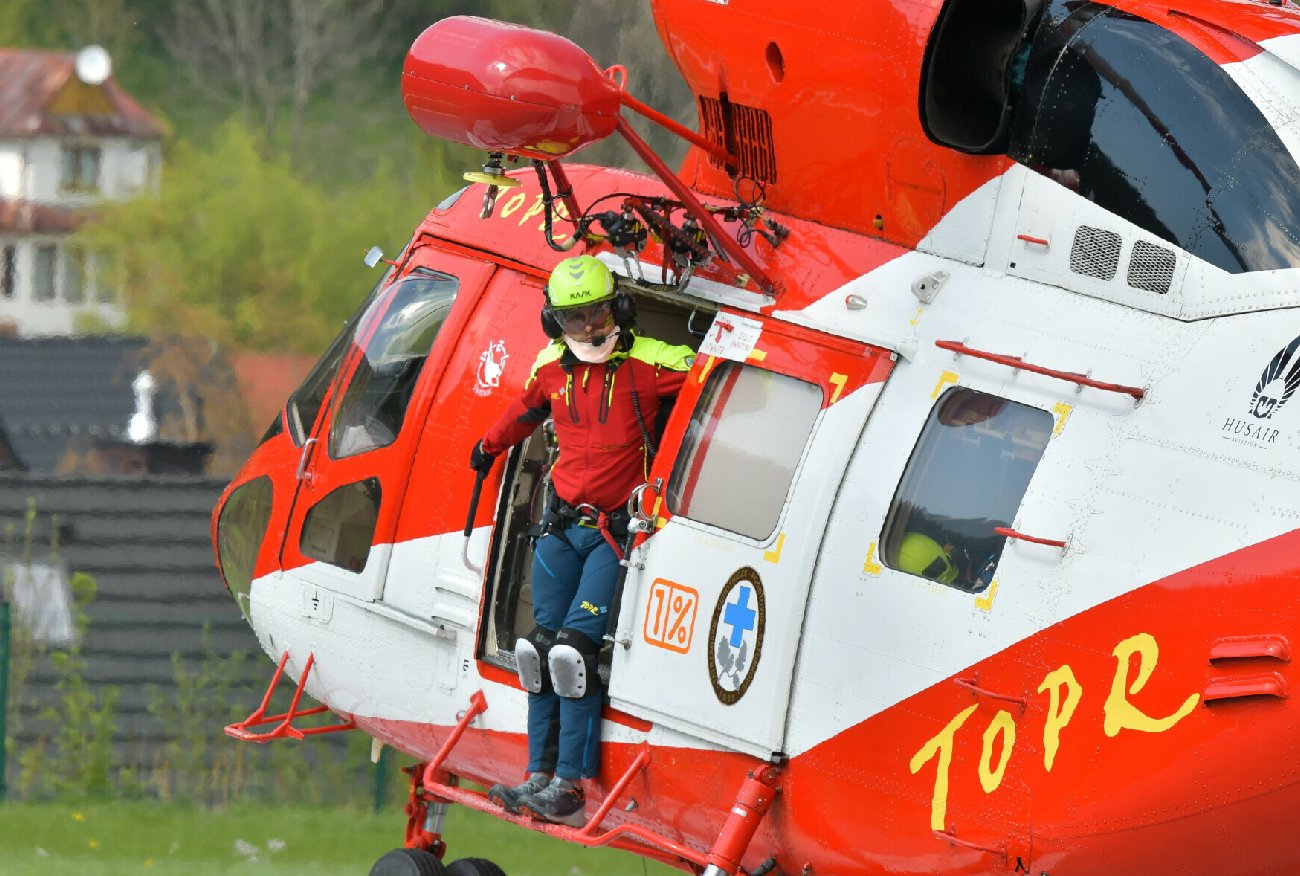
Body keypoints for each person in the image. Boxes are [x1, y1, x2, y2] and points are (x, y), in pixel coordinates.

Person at [469, 254, 693, 826]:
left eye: (598, 313)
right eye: (575, 318)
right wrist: (488, 447)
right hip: (559, 527)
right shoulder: (550, 367)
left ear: (618, 308)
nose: (589, 327)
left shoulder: (653, 362)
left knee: (572, 653)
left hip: (611, 535)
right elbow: (522, 411)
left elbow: (715, 375)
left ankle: (569, 785)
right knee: (537, 650)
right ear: (555, 322)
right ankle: (537, 776)